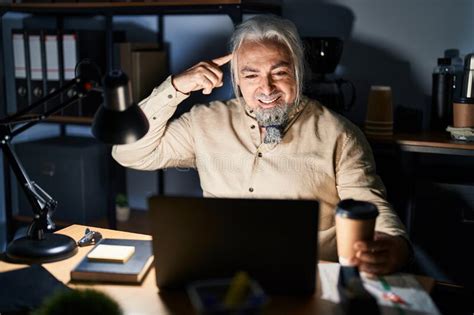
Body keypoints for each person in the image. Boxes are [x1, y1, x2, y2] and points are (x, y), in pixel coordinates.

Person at [112, 15, 411, 275]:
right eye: (251, 74)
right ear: (237, 79)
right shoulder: (204, 122)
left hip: (304, 279)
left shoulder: (340, 135)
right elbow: (128, 152)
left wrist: (393, 244)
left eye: (278, 73)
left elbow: (370, 204)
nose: (266, 89)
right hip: (220, 272)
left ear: (297, 72)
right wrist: (175, 89)